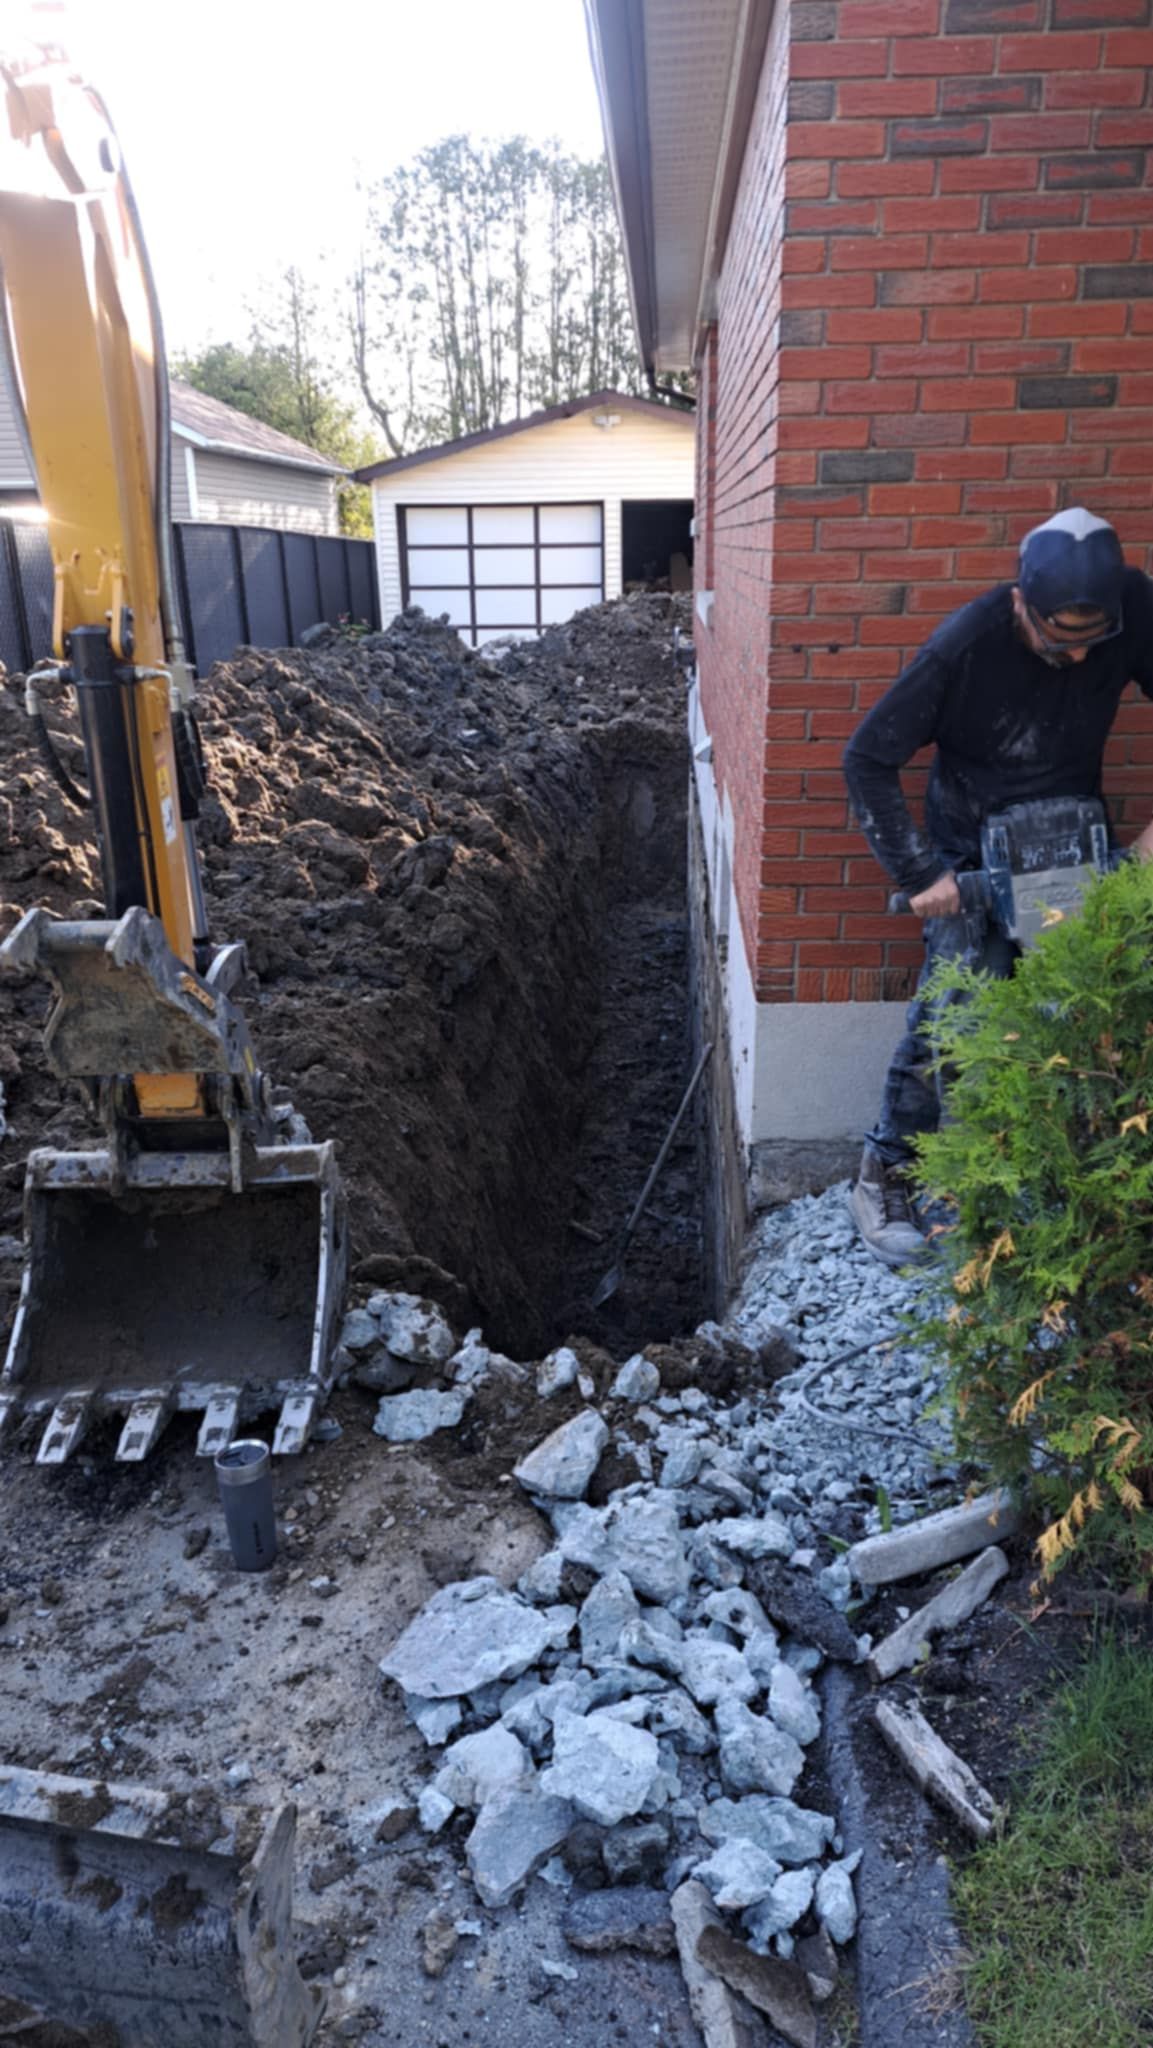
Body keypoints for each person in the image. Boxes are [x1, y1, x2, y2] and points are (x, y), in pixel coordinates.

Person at [843, 506, 1153, 1267]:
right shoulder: (964, 647)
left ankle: (1062, 1185)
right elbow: (865, 760)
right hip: (968, 850)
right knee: (953, 1013)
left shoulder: (1131, 606)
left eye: (1092, 643)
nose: (1078, 660)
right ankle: (887, 1172)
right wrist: (921, 875)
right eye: (1057, 641)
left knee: (1076, 1012)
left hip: (1071, 841)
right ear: (1022, 603)